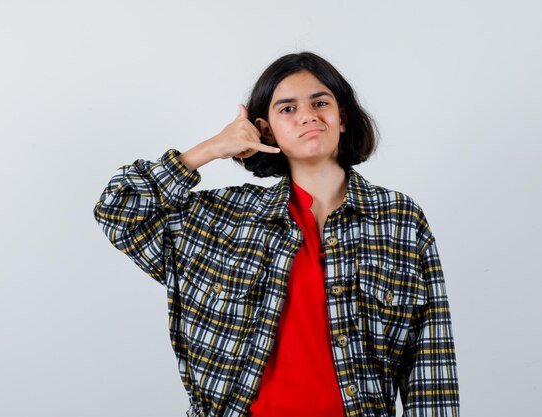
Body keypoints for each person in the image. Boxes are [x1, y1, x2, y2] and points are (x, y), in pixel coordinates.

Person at [93, 51, 460, 417]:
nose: (307, 115)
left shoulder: (398, 219)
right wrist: (209, 149)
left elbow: (430, 363)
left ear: (342, 118)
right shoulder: (219, 221)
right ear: (264, 129)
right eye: (287, 109)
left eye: (320, 102)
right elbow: (118, 209)